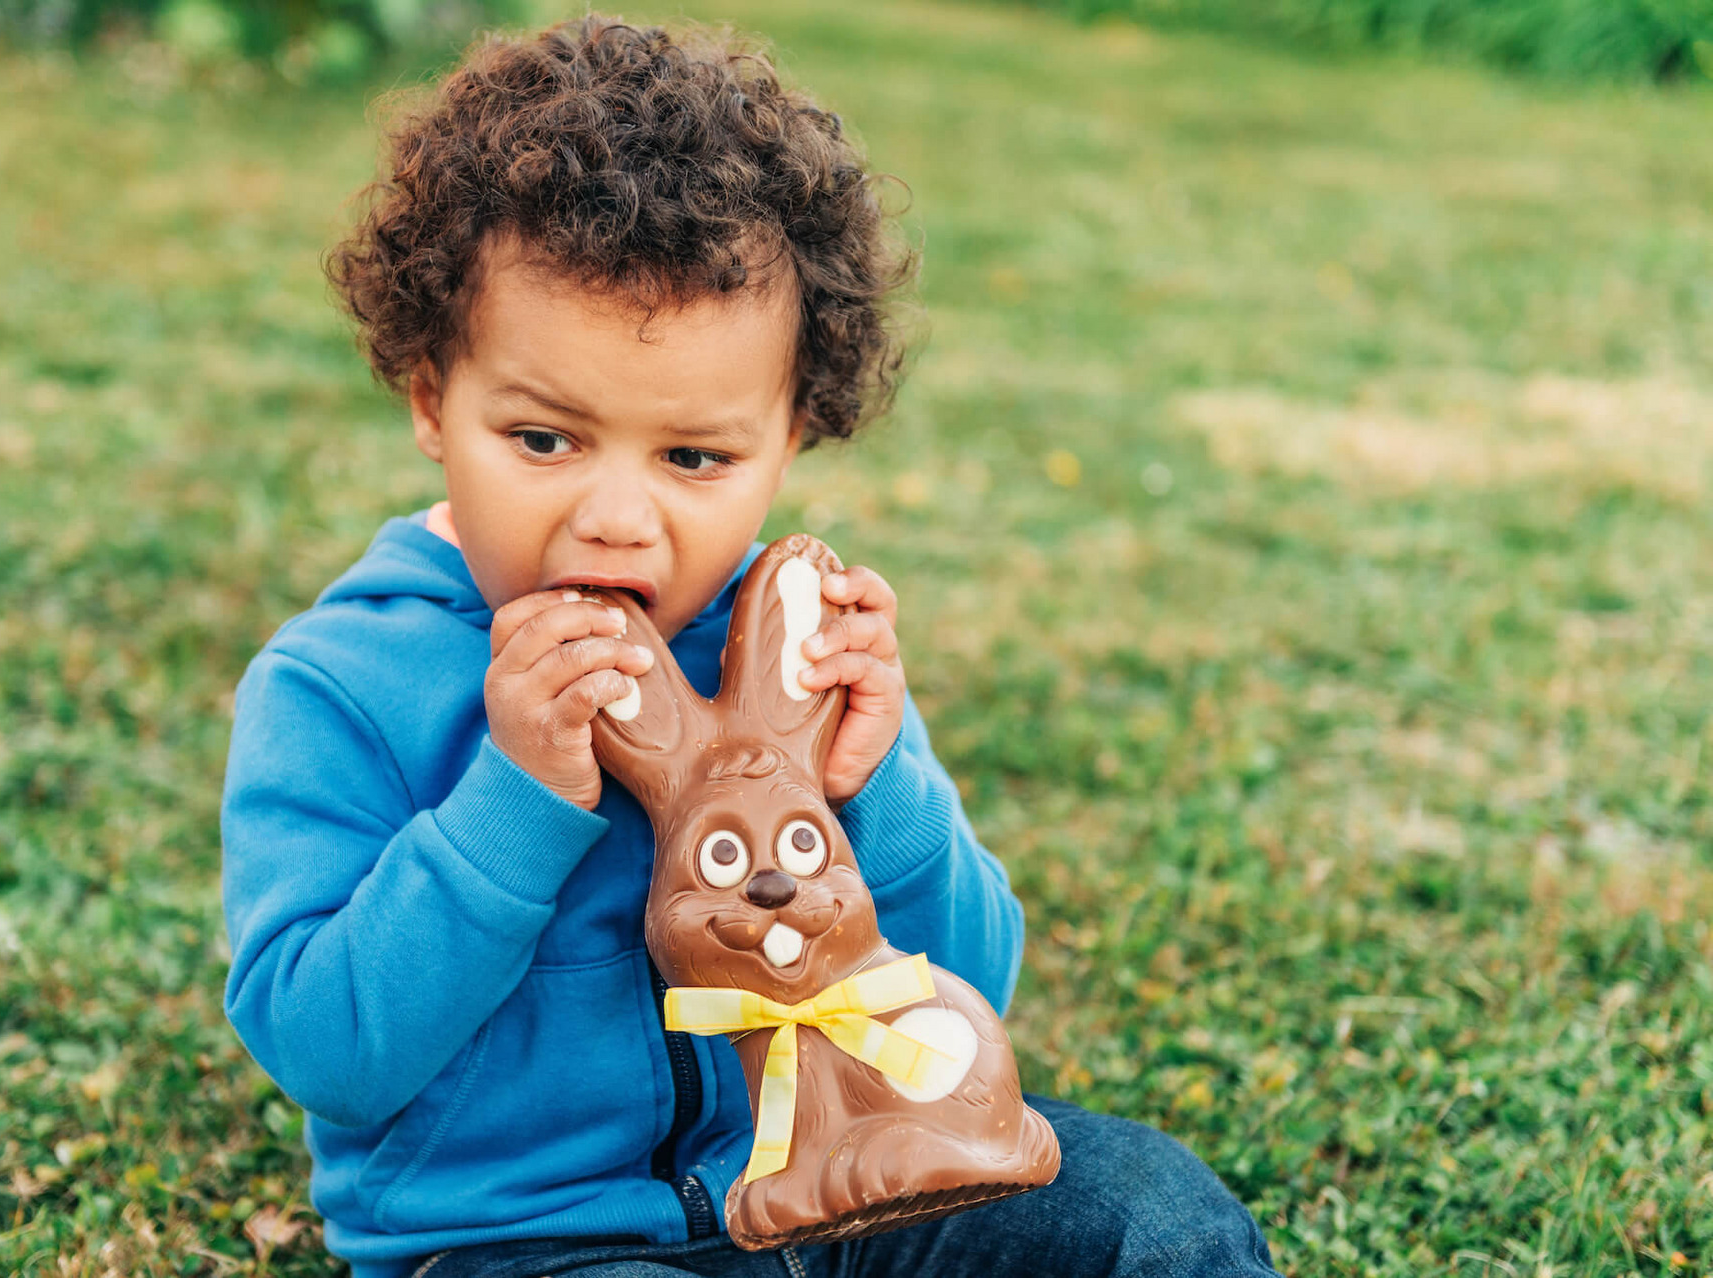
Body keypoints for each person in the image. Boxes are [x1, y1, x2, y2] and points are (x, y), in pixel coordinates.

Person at [220, 13, 1281, 1277]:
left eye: (694, 459)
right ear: (432, 394)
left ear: (793, 438)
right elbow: (330, 1050)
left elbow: (974, 987)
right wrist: (509, 801)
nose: (616, 517)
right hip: (540, 1251)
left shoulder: (787, 654)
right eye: (544, 440)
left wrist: (871, 784)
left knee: (1147, 1215)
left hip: (849, 1190)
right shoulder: (338, 684)